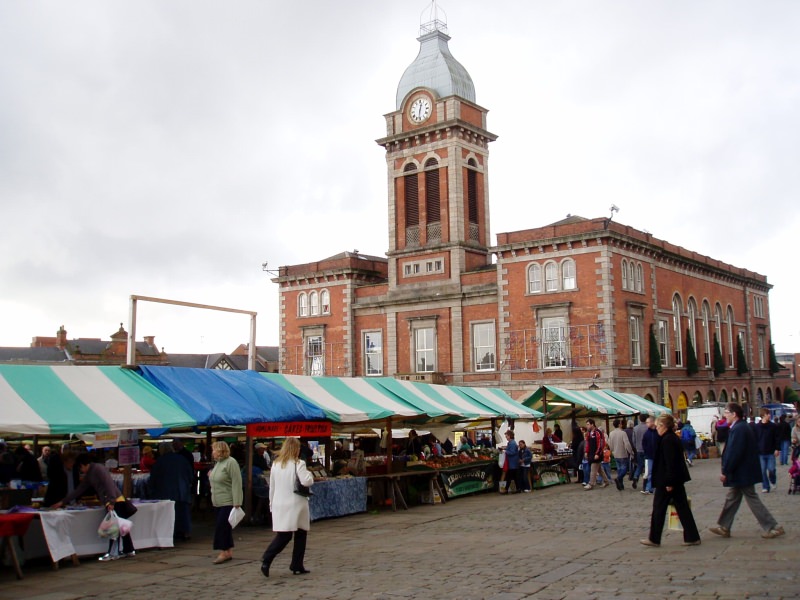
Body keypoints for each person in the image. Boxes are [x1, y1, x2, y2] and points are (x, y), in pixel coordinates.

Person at [709, 403, 785, 540]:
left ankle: (773, 526)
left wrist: (726, 471)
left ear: (734, 414)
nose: (724, 415)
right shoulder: (739, 427)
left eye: (727, 412)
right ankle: (724, 527)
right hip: (743, 471)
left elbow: (734, 452)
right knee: (732, 497)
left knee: (751, 498)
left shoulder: (739, 429)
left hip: (742, 472)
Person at [51, 453, 137, 561]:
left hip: (114, 501)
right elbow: (80, 489)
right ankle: (129, 549)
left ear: (84, 465)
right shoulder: (90, 473)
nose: (81, 471)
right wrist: (63, 501)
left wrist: (111, 501)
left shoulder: (98, 469)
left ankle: (113, 552)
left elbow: (109, 484)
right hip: (113, 500)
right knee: (120, 527)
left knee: (114, 528)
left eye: (80, 468)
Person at [640, 413, 701, 547]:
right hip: (673, 479)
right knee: (682, 508)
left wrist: (669, 482)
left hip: (668, 481)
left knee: (659, 509)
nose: (656, 429)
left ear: (663, 426)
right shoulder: (669, 438)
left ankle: (654, 538)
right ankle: (692, 536)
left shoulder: (668, 440)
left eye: (657, 426)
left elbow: (671, 463)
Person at [260, 437, 314, 577]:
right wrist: (309, 473)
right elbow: (306, 481)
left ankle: (293, 563)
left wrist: (272, 503)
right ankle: (271, 558)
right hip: (296, 502)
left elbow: (272, 486)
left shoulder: (276, 464)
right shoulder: (299, 463)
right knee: (297, 534)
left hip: (279, 502)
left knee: (285, 534)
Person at [149, 441, 195, 541]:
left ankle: (170, 533)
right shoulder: (182, 459)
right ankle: (185, 532)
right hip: (182, 490)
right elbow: (190, 474)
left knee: (168, 514)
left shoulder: (159, 461)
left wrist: (151, 490)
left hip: (164, 492)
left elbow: (153, 479)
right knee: (183, 512)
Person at [208, 441, 242, 564]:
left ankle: (223, 551)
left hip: (228, 500)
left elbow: (236, 482)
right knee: (224, 526)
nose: (212, 452)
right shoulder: (218, 464)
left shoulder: (231, 463)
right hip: (217, 500)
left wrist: (237, 501)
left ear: (220, 451)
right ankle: (227, 551)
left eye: (214, 450)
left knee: (222, 526)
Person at [754, 408, 780, 493]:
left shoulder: (773, 426)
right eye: (768, 414)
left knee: (771, 469)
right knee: (762, 470)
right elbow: (755, 439)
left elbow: (776, 438)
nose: (769, 415)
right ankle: (765, 486)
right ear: (763, 415)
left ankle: (773, 480)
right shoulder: (757, 427)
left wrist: (777, 449)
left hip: (770, 451)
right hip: (760, 452)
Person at [608, 418, 634, 490]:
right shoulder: (623, 433)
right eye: (621, 423)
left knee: (619, 469)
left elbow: (610, 444)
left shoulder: (611, 433)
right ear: (619, 424)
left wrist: (612, 451)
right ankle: (618, 478)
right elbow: (627, 444)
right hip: (622, 453)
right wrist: (631, 452)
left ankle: (621, 485)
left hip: (615, 453)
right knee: (624, 469)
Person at [584, 419, 610, 490]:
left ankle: (591, 484)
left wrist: (598, 453)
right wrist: (586, 451)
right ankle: (606, 481)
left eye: (588, 424)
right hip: (591, 454)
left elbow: (601, 444)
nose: (587, 426)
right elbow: (587, 443)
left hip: (597, 454)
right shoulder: (589, 433)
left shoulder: (598, 433)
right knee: (599, 469)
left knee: (593, 469)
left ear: (592, 424)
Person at [640, 417, 658, 494]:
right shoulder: (646, 433)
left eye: (648, 422)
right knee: (649, 472)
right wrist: (646, 452)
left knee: (655, 472)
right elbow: (644, 444)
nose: (646, 424)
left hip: (657, 456)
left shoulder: (657, 432)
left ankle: (653, 487)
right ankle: (648, 488)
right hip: (649, 456)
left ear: (652, 422)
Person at [632, 414, 648, 489]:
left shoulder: (635, 428)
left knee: (639, 465)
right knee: (647, 466)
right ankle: (646, 482)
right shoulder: (648, 427)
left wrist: (636, 447)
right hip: (647, 449)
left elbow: (633, 440)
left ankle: (635, 477)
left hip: (638, 449)